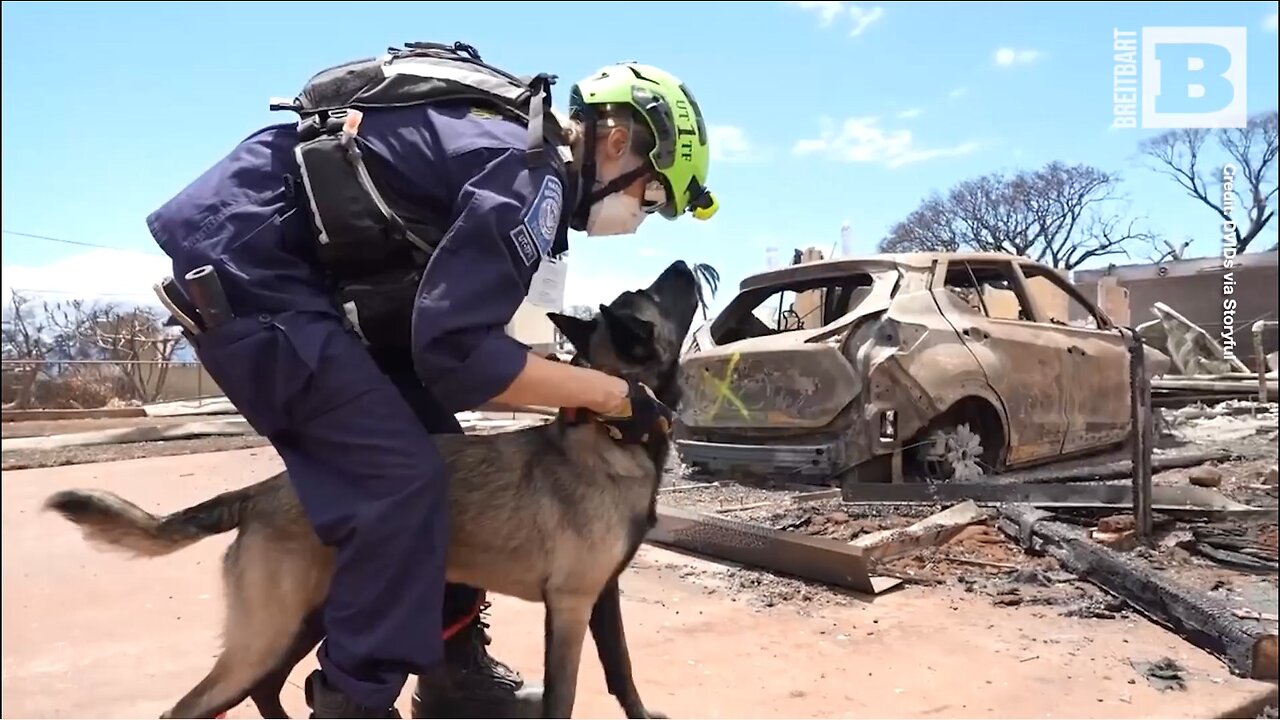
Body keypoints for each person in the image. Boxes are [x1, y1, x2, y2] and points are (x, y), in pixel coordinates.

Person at [144, 42, 717, 719]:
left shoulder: (519, 156)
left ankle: (455, 674)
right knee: (405, 484)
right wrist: (611, 394)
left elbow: (456, 357)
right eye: (651, 194)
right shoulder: (528, 175)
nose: (641, 216)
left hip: (283, 272)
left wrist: (574, 391)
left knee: (452, 469)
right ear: (616, 140)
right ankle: (354, 704)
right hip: (254, 272)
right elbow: (459, 358)